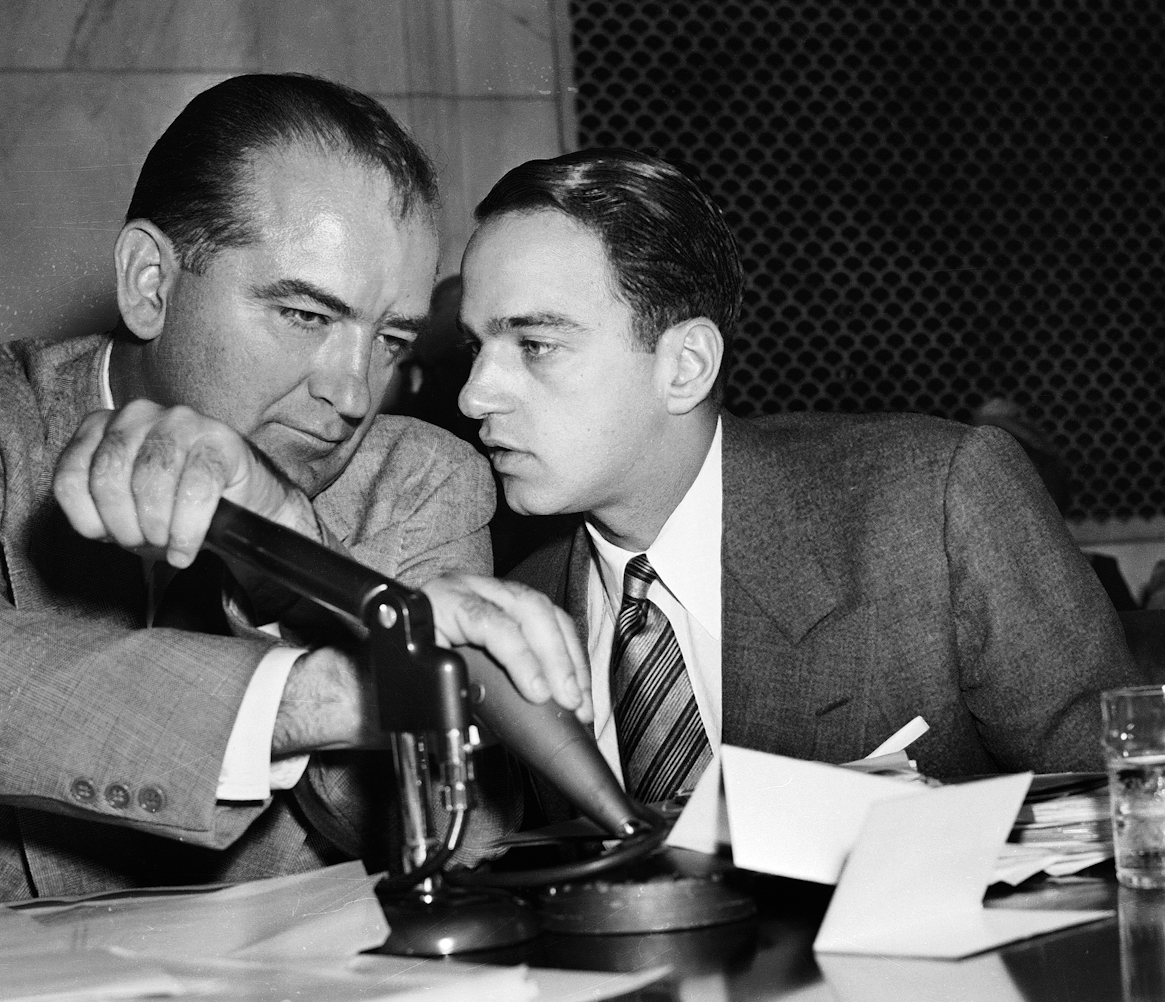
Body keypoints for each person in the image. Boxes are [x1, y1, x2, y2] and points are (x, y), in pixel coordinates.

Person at [0, 74, 587, 923]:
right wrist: (334, 693)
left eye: (389, 338)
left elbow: (456, 847)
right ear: (149, 282)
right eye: (305, 316)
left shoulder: (421, 478)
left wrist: (289, 565)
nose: (354, 394)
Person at [455, 148, 1143, 813]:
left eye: (536, 345)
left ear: (686, 365)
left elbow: (1127, 806)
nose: (475, 395)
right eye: (474, 348)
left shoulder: (934, 505)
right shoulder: (521, 607)